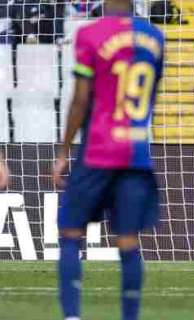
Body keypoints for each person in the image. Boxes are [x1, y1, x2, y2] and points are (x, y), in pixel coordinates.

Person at [51, 0, 164, 319]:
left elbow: (81, 99)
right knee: (128, 241)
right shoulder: (155, 38)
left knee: (71, 233)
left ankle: (72, 316)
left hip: (97, 151)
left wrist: (63, 151)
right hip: (137, 155)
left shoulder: (91, 34)